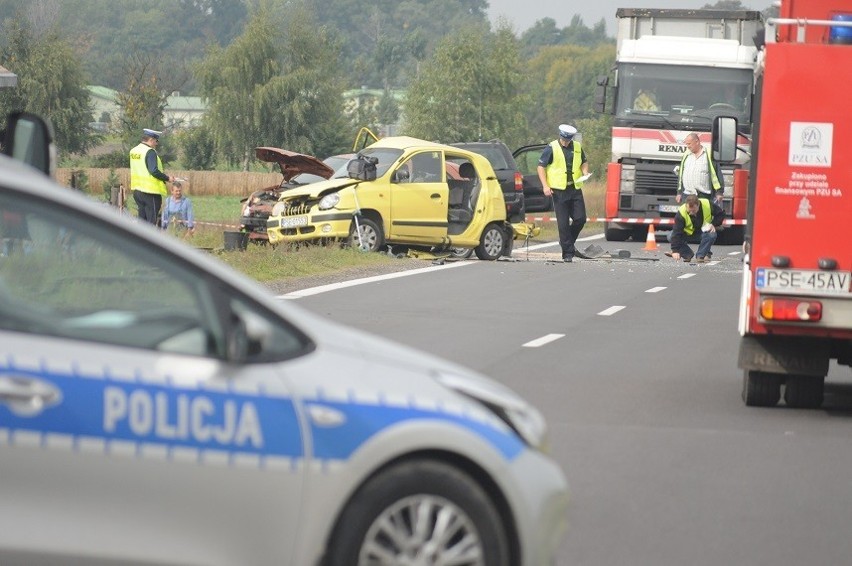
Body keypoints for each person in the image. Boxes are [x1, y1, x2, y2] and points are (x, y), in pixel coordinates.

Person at [537, 124, 590, 263]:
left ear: (571, 138)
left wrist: (584, 171)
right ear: (560, 136)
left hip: (575, 188)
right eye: (564, 140)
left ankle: (567, 242)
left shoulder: (577, 147)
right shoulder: (551, 147)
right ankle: (567, 253)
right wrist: (545, 186)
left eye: (568, 140)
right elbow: (541, 167)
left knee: (580, 219)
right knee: (563, 224)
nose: (565, 142)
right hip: (558, 191)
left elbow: (584, 162)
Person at [129, 128, 174, 225]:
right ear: (151, 140)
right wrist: (167, 178)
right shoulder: (150, 152)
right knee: (151, 224)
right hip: (150, 192)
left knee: (142, 223)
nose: (156, 144)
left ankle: (138, 240)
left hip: (137, 191)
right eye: (156, 141)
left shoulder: (134, 151)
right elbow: (153, 171)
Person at [667, 194, 725, 263]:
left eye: (694, 211)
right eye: (689, 211)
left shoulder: (707, 204)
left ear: (698, 205)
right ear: (686, 206)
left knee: (712, 234)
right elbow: (676, 232)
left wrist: (713, 224)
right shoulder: (681, 212)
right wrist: (675, 251)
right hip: (688, 234)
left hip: (703, 232)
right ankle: (687, 254)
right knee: (670, 236)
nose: (691, 213)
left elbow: (721, 214)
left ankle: (700, 256)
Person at [676, 133, 723, 206]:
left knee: (703, 216)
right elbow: (681, 175)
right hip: (687, 195)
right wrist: (679, 192)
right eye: (687, 144)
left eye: (689, 144)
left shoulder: (709, 154)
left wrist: (719, 192)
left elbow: (717, 173)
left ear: (697, 142)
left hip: (704, 196)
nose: (688, 146)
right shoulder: (686, 155)